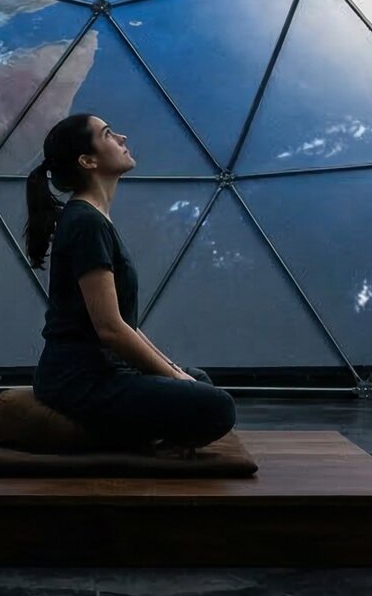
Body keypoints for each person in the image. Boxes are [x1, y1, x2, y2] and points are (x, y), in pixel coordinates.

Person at [24, 112, 237, 453]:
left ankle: (128, 434)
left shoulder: (93, 219)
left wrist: (173, 371)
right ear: (87, 160)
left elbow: (126, 325)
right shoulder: (85, 224)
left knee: (200, 383)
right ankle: (123, 443)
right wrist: (172, 379)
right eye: (108, 134)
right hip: (79, 379)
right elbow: (109, 329)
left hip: (102, 371)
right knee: (216, 406)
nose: (122, 137)